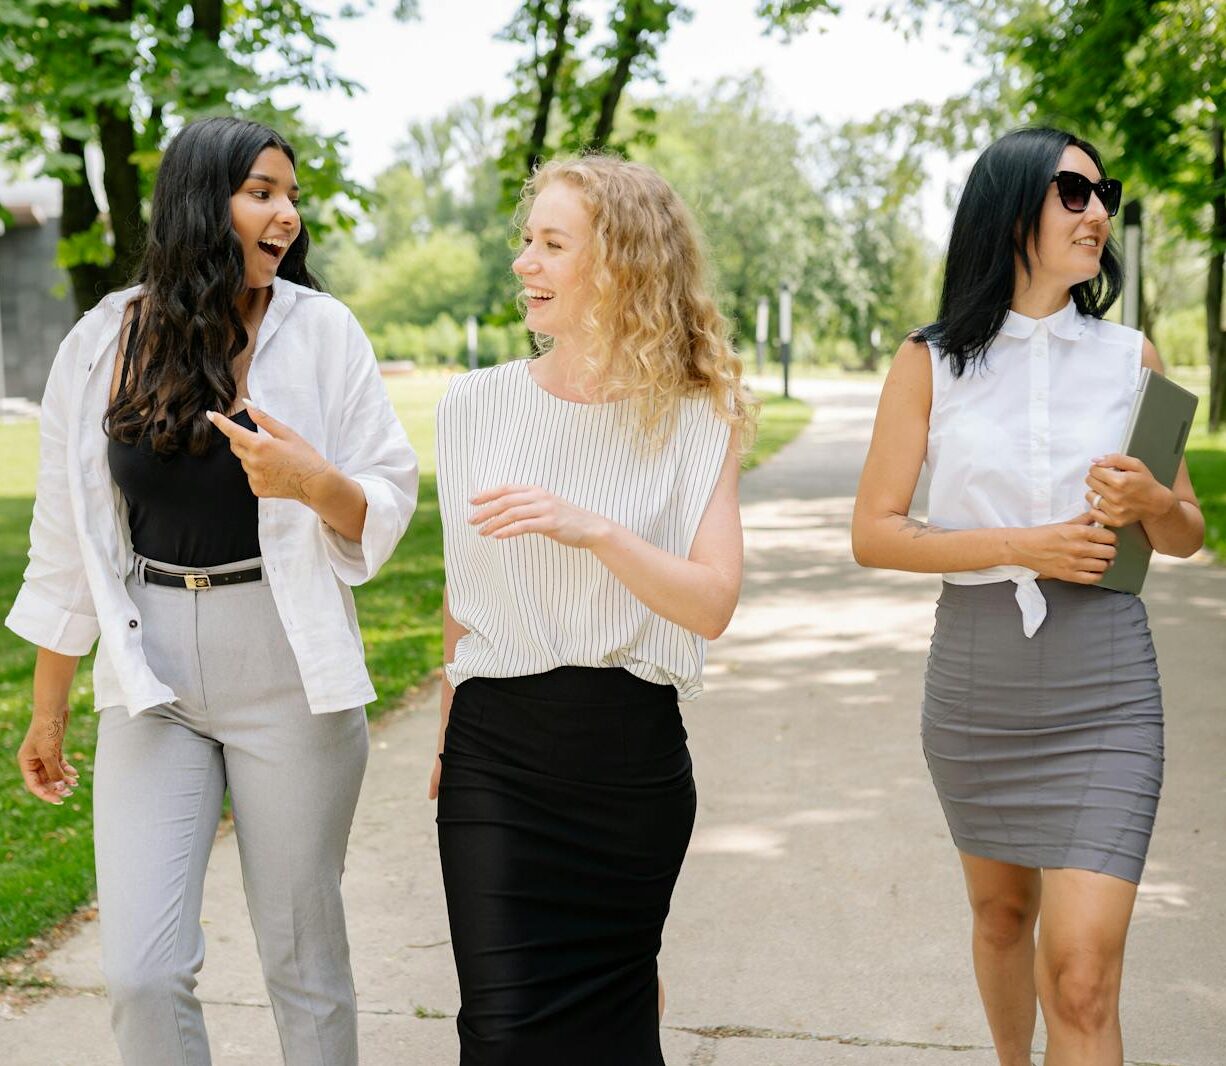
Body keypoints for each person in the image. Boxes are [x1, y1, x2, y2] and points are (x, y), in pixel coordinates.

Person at [6, 116, 418, 1066]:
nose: (287, 216)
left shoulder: (324, 333)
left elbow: (385, 499)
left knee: (302, 963)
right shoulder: (107, 336)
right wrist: (48, 709)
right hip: (154, 673)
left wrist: (311, 482)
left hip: (287, 664)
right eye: (263, 193)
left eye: (292, 197)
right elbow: (68, 534)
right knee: (142, 973)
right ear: (203, 203)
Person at [852, 127, 1203, 1066]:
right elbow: (875, 530)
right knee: (1003, 918)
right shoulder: (928, 362)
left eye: (1104, 195)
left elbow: (1187, 535)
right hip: (978, 679)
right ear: (1012, 212)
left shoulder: (1133, 356)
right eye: (1073, 194)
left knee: (1083, 974)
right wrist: (1026, 545)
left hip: (1107, 685)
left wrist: (1154, 500)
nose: (1098, 213)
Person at [429, 155, 753, 1065]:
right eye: (527, 242)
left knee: (614, 1033)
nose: (525, 263)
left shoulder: (699, 415)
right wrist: (450, 733)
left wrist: (595, 528)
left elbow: (712, 603)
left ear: (620, 266)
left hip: (628, 762)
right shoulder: (473, 406)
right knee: (500, 1032)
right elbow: (466, 595)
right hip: (496, 753)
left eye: (552, 245)